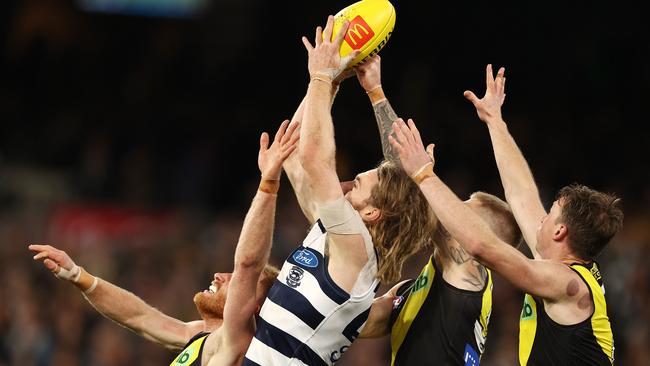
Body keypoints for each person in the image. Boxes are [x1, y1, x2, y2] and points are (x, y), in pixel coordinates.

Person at [388, 65, 623, 366]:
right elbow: (522, 194)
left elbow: (482, 247)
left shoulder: (565, 283)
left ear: (560, 232)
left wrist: (423, 175)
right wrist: (494, 121)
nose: (540, 217)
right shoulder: (562, 264)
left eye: (550, 214)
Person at [243, 16, 436, 366]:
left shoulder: (357, 250)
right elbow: (295, 157)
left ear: (372, 212)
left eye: (358, 185)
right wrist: (333, 82)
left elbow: (315, 158)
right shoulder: (337, 241)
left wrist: (321, 74)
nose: (346, 186)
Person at [29, 120, 299, 366]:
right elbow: (141, 317)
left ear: (252, 305)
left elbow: (248, 264)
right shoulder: (198, 337)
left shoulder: (235, 339)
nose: (221, 275)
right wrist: (78, 275)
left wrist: (269, 181)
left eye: (235, 281)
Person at [353, 55, 523, 366]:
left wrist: (377, 94)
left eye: (463, 211)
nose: (450, 211)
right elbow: (374, 320)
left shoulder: (468, 275)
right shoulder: (436, 278)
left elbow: (405, 179)